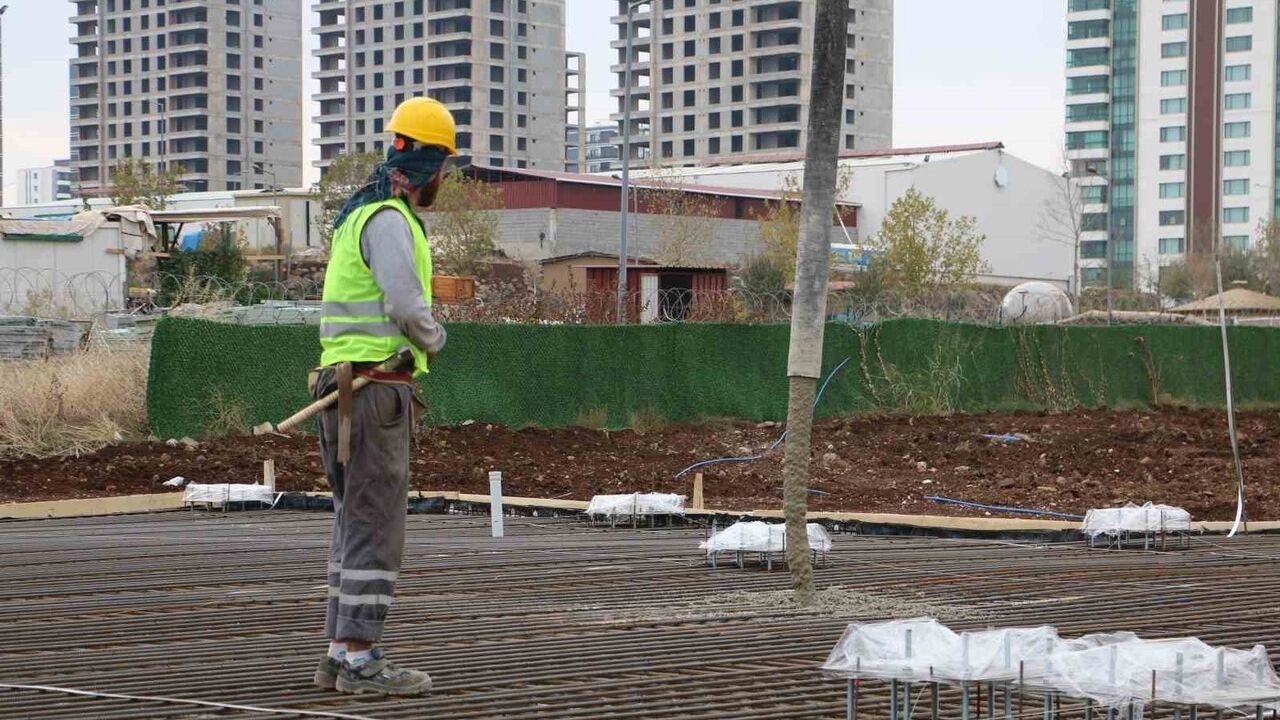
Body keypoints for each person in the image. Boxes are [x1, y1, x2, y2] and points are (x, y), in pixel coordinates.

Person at [310, 97, 456, 697]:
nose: (445, 176)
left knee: (353, 522)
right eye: (445, 165)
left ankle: (337, 653)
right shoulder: (391, 220)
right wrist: (434, 338)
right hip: (373, 392)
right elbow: (404, 303)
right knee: (375, 525)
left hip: (342, 388)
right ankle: (360, 659)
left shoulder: (357, 215)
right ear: (431, 164)